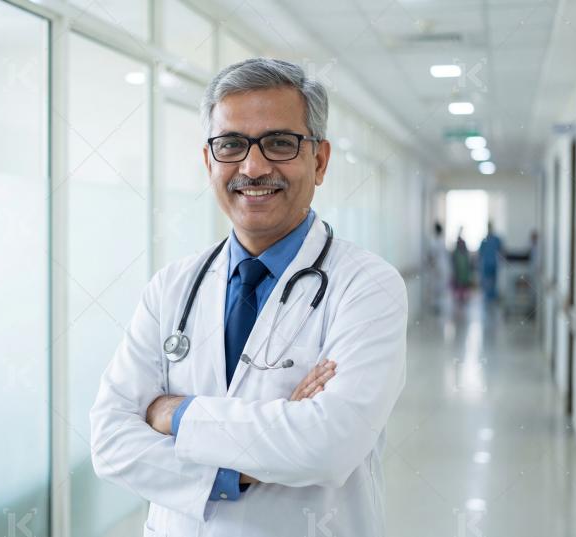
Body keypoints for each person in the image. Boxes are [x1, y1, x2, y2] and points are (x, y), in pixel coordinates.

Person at [90, 58, 407, 537]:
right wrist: (237, 471)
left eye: (279, 143)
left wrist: (173, 413)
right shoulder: (170, 287)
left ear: (319, 161)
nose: (253, 167)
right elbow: (110, 441)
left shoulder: (367, 286)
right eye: (231, 144)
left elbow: (327, 445)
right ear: (208, 162)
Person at [427, 221, 450, 312]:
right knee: (439, 287)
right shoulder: (442, 241)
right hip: (442, 266)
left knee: (435, 287)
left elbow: (432, 256)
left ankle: (436, 306)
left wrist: (430, 264)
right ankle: (438, 306)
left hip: (437, 266)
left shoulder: (434, 241)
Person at [478, 222, 503, 301]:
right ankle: (488, 296)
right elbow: (480, 254)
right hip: (486, 264)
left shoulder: (496, 239)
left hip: (494, 263)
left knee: (493, 281)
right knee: (487, 281)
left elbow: (501, 250)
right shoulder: (484, 240)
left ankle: (493, 296)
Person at [452, 230, 472, 302]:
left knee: (464, 283)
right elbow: (454, 261)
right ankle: (460, 297)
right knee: (459, 283)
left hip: (464, 270)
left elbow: (468, 261)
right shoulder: (456, 253)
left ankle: (463, 297)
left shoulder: (465, 253)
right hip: (458, 270)